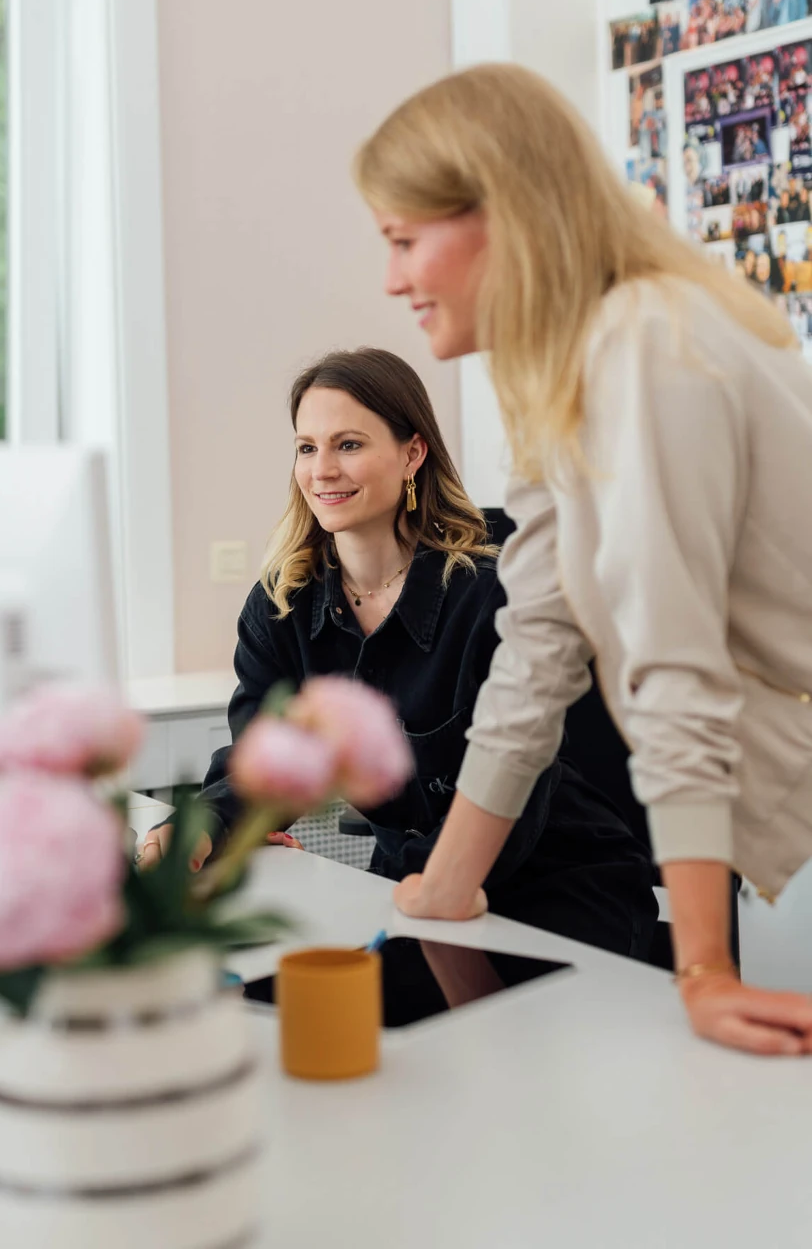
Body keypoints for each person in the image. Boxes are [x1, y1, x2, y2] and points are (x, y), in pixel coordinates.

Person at [353, 62, 812, 1056]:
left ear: (503, 216)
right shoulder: (557, 369)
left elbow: (672, 663)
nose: (391, 280)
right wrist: (451, 881)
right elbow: (541, 640)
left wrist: (703, 973)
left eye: (403, 241)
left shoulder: (647, 342)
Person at [140, 347, 658, 958]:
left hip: (551, 890)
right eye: (307, 447)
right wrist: (203, 827)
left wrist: (393, 888)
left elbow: (516, 792)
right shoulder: (282, 605)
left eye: (349, 445)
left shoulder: (491, 594)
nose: (322, 470)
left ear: (413, 453)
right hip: (409, 892)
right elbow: (263, 761)